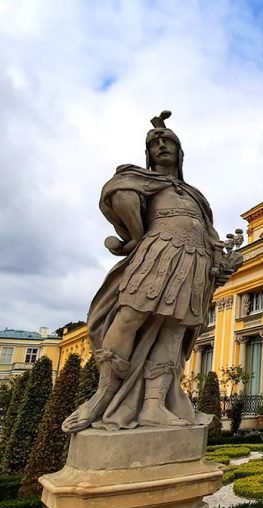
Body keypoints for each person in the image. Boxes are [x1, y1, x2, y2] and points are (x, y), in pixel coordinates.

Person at [63, 111, 241, 433]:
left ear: (179, 150)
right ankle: (103, 396)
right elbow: (117, 193)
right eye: (155, 142)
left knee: (175, 329)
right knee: (129, 317)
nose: (161, 145)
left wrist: (221, 264)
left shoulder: (194, 194)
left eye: (167, 140)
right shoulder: (142, 180)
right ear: (148, 153)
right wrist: (135, 235)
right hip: (158, 250)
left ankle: (154, 405)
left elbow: (211, 232)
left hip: (195, 260)